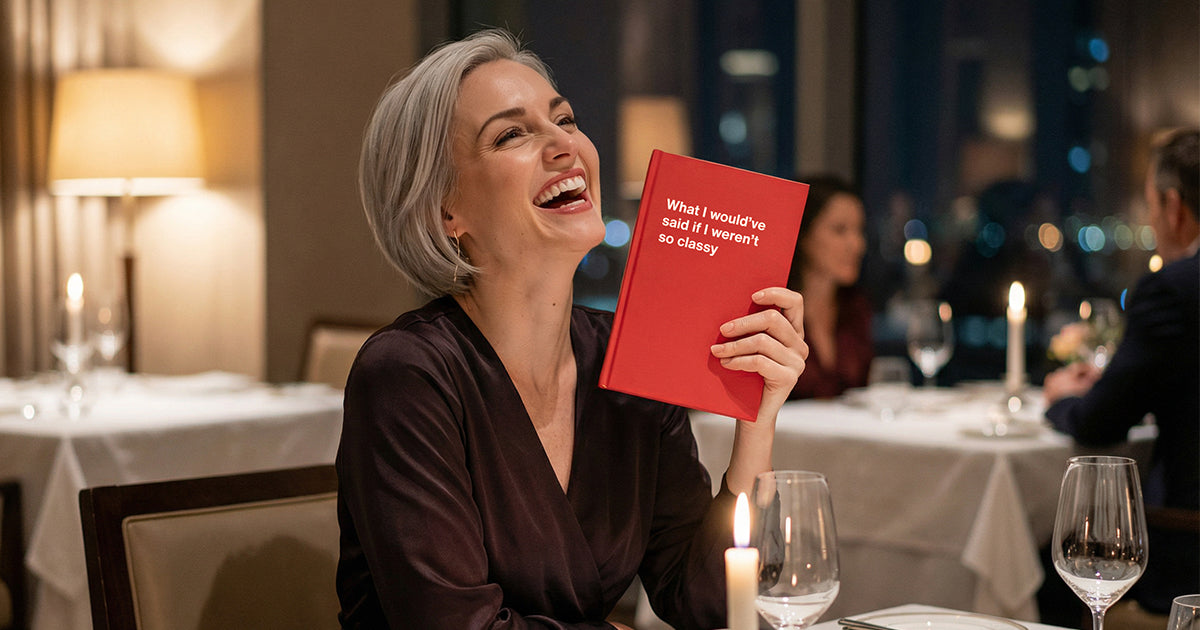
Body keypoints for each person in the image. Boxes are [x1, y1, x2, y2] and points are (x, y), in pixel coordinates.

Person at [336, 29, 808, 630]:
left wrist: (756, 420)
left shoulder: (626, 358)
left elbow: (707, 604)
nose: (565, 145)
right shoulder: (408, 376)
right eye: (512, 133)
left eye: (565, 119)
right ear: (443, 210)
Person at [1043, 127, 1199, 615]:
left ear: (1173, 207)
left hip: (1187, 547)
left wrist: (1060, 400)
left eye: (1152, 207)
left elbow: (1099, 424)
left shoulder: (1174, 289)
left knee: (1043, 564)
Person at [785, 175, 872, 399]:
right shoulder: (776, 310)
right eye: (840, 230)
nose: (857, 244)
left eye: (859, 230)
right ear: (803, 234)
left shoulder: (855, 308)